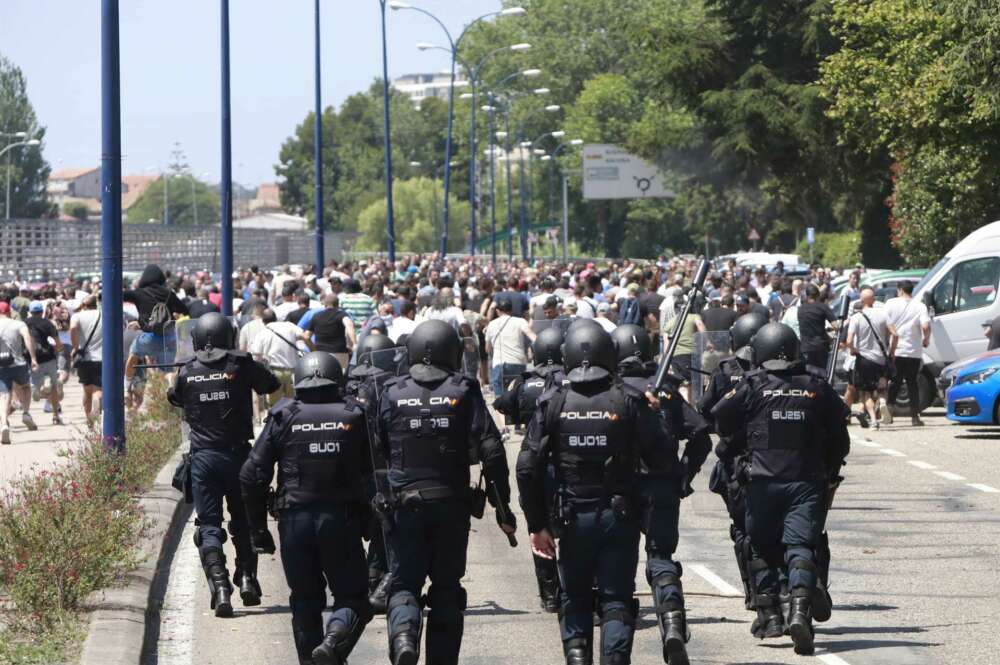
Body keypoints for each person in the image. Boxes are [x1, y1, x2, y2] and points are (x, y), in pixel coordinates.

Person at [517, 324, 675, 665]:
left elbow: (527, 467)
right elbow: (663, 458)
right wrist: (653, 414)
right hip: (619, 516)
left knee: (574, 597)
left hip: (571, 517)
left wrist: (537, 523)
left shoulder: (553, 401)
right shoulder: (628, 400)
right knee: (616, 599)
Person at [377, 320, 515, 665]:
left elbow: (374, 450)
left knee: (404, 583)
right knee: (447, 589)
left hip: (403, 504)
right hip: (451, 503)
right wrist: (503, 507)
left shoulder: (391, 391)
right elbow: (493, 452)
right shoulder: (464, 390)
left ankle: (406, 635)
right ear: (452, 352)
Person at [712, 323, 850, 655]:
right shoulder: (817, 388)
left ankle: (770, 617)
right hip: (806, 481)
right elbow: (840, 441)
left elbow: (718, 417)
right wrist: (826, 469)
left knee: (760, 547)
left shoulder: (751, 386)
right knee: (801, 546)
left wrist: (735, 447)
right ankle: (800, 612)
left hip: (761, 482)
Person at [240, 352, 373, 665]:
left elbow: (251, 475)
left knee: (305, 602)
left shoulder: (284, 415)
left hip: (294, 522)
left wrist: (258, 529)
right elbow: (375, 474)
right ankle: (334, 639)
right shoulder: (355, 414)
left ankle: (316, 656)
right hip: (341, 521)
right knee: (354, 599)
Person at [167, 313, 281, 617]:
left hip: (203, 459)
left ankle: (219, 587)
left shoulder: (188, 371)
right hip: (239, 457)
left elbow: (174, 397)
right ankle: (247, 578)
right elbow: (271, 384)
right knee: (243, 522)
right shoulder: (240, 366)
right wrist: (249, 364)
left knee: (208, 527)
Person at [612, 324, 711, 665]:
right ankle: (672, 625)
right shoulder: (666, 389)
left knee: (619, 565)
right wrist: (685, 472)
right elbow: (701, 433)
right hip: (663, 486)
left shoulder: (612, 392)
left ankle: (618, 637)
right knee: (661, 559)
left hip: (620, 491)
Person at [698, 312, 768, 614]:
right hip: (771, 458)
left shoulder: (726, 370)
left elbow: (706, 411)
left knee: (742, 530)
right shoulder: (774, 374)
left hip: (738, 462)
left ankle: (755, 595)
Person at [493, 326, 567, 613]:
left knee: (539, 525)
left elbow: (502, 406)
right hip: (565, 460)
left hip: (534, 461)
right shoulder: (570, 381)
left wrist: (518, 389)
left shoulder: (525, 383)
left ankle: (549, 593)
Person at [342, 332, 399, 614]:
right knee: (391, 528)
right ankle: (383, 579)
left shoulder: (348, 390)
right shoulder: (390, 388)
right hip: (382, 468)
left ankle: (370, 577)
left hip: (353, 472)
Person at [124, 264, 189, 392]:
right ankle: (170, 384)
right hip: (169, 339)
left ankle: (126, 385)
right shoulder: (169, 294)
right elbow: (184, 310)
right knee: (168, 369)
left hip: (149, 338)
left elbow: (119, 295)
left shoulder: (139, 293)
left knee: (133, 353)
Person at [886, 281, 931, 426]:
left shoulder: (891, 303)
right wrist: (926, 340)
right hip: (913, 352)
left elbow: (885, 322)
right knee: (912, 384)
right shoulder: (920, 306)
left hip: (896, 350)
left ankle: (889, 411)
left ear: (899, 290)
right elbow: (925, 326)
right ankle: (915, 417)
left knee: (895, 382)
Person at [846, 287, 891, 430]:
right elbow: (895, 334)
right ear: (874, 300)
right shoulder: (883, 315)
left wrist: (853, 350)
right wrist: (890, 348)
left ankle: (873, 420)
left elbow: (849, 340)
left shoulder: (856, 317)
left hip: (864, 359)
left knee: (865, 393)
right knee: (882, 387)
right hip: (881, 359)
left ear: (861, 300)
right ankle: (883, 402)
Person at [249, 309, 315, 406]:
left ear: (263, 321)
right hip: (294, 372)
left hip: (275, 373)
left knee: (275, 406)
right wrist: (313, 352)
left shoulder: (262, 333)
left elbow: (256, 356)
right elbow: (306, 337)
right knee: (295, 404)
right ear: (275, 318)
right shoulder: (289, 325)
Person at [0, 301, 39, 444]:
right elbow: (28, 339)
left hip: (1, 366)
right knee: (25, 386)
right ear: (8, 312)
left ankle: (4, 423)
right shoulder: (19, 324)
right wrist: (33, 358)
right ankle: (26, 413)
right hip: (18, 363)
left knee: (4, 395)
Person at [484, 298, 536, 395]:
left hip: (499, 363)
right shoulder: (520, 321)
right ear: (511, 310)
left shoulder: (492, 324)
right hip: (518, 361)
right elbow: (532, 336)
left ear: (497, 311)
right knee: (518, 392)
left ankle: (500, 409)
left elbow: (487, 349)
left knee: (500, 395)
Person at [26, 301, 64, 425]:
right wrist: (58, 349)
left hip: (31, 359)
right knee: (53, 387)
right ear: (42, 312)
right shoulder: (47, 323)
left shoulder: (24, 323)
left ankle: (37, 389)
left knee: (32, 384)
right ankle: (55, 416)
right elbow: (58, 343)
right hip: (48, 357)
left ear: (30, 312)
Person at [70, 294, 103, 429]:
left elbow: (72, 328)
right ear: (95, 304)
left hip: (84, 358)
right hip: (101, 357)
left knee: (86, 390)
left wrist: (75, 347)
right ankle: (96, 413)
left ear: (83, 305)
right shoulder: (103, 314)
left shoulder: (77, 316)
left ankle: (89, 419)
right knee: (98, 390)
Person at [305, 294, 355, 371]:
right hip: (339, 353)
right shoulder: (342, 314)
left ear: (324, 304)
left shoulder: (316, 316)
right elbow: (349, 325)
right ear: (338, 304)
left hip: (320, 355)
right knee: (341, 379)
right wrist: (353, 344)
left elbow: (307, 336)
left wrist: (313, 350)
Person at [796, 284, 837, 372]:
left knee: (809, 374)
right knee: (822, 374)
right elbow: (836, 326)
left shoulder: (800, 309)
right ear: (818, 295)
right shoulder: (823, 307)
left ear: (807, 296)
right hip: (820, 347)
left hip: (805, 347)